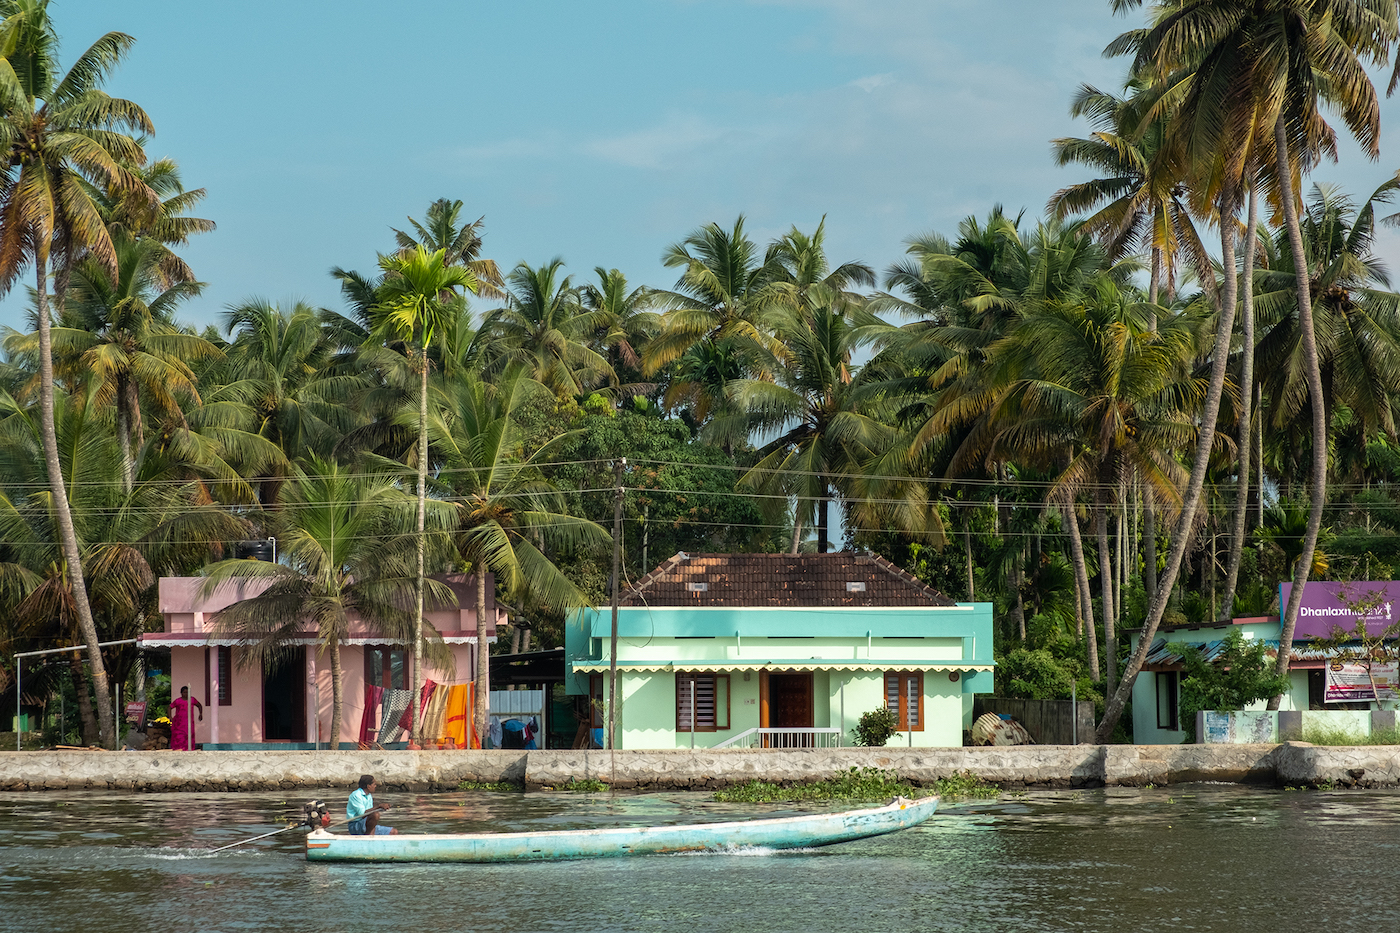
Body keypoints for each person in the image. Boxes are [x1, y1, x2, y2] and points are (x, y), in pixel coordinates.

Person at [169, 686, 202, 751]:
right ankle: (178, 749)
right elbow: (169, 707)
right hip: (179, 723)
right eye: (184, 692)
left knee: (189, 736)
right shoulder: (178, 701)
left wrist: (200, 714)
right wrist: (170, 717)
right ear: (181, 693)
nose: (186, 694)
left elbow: (199, 705)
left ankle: (189, 749)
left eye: (187, 692)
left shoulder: (192, 700)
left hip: (189, 723)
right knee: (179, 737)